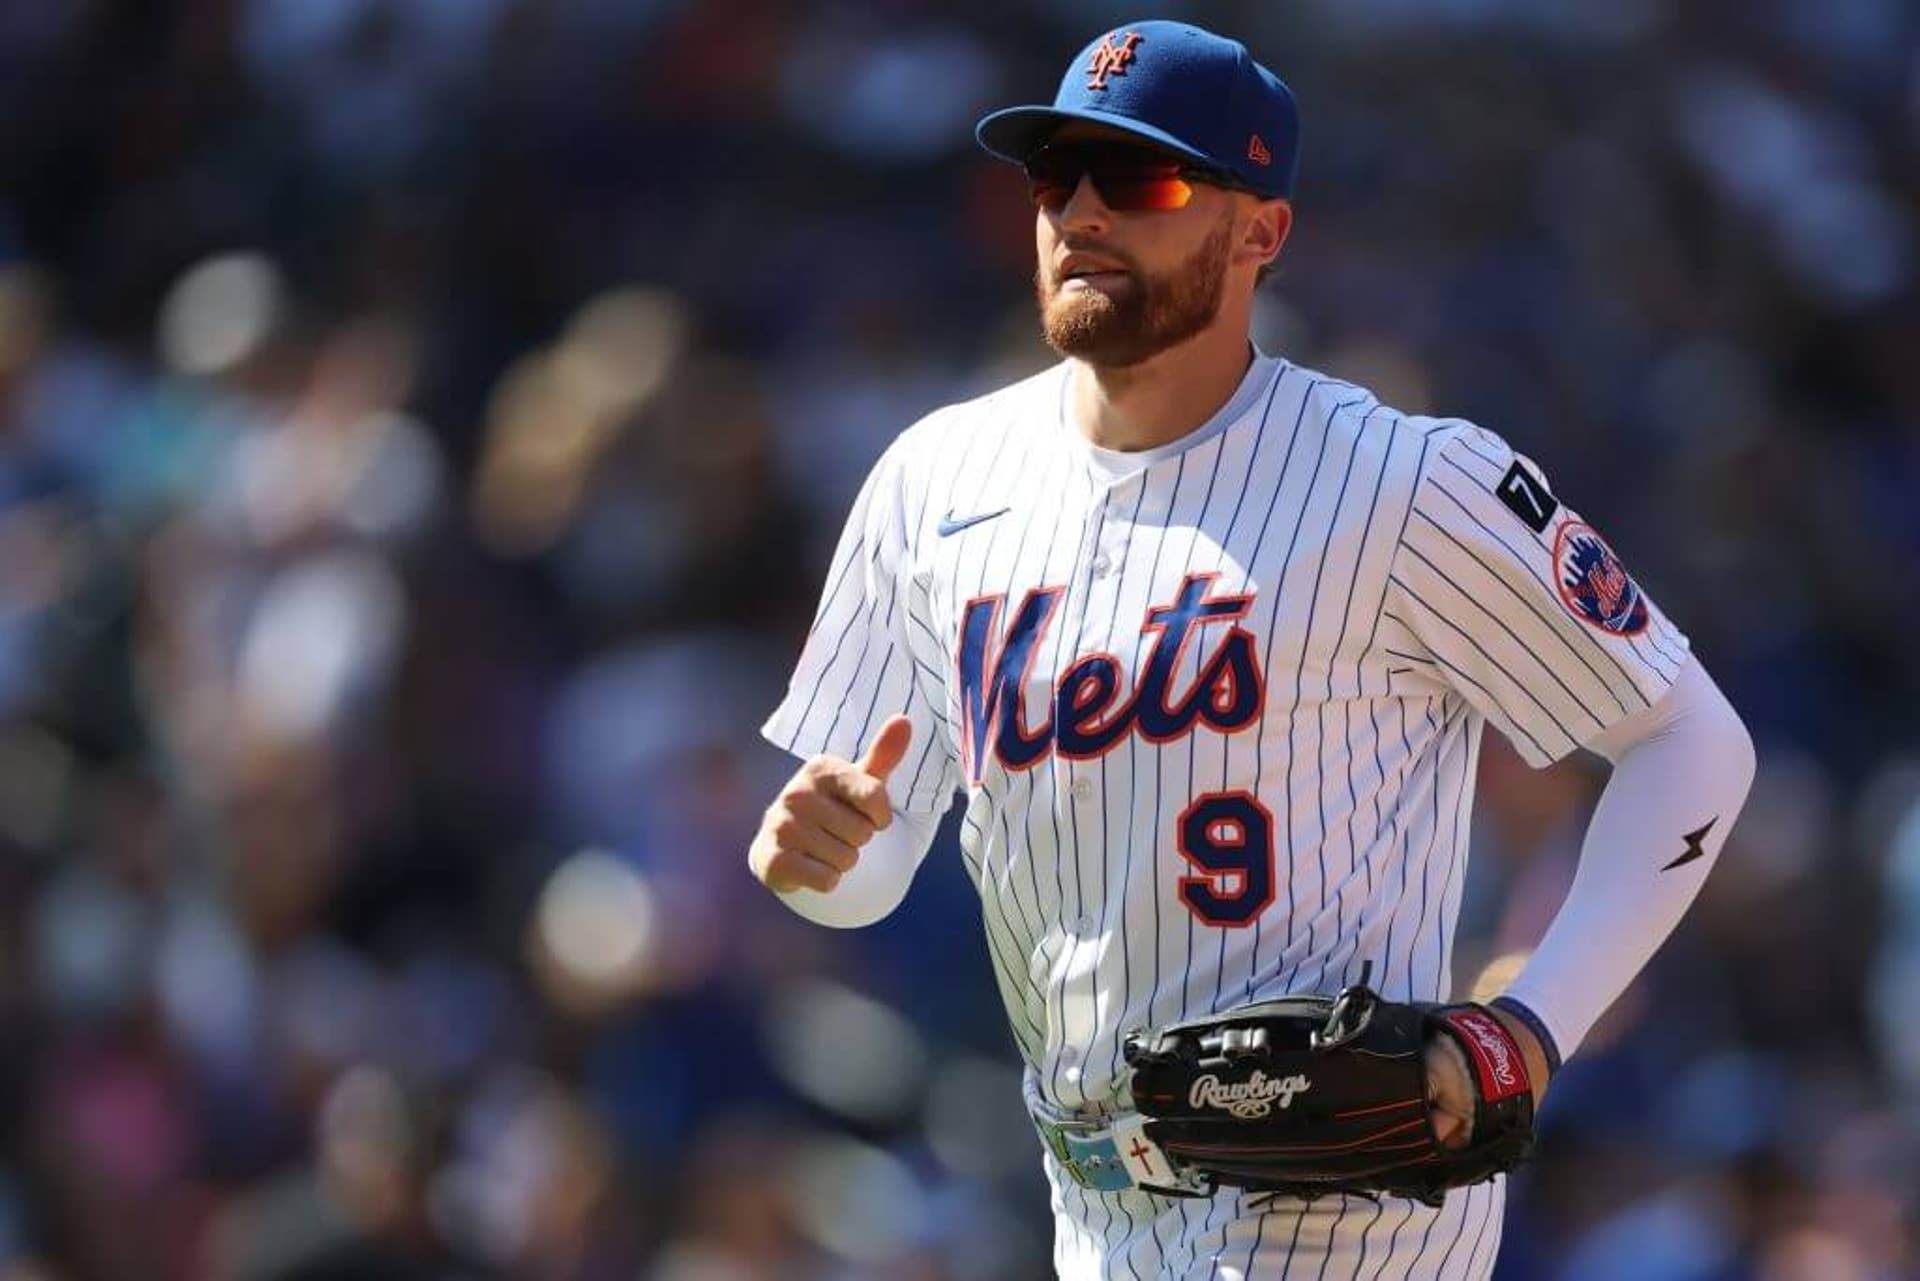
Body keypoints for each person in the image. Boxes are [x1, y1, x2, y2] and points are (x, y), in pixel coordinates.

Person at [749, 19, 1756, 1279]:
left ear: (1260, 231)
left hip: (1343, 1204)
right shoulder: (933, 483)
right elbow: (868, 865)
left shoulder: (1404, 482)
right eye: (1057, 176)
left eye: (1143, 178)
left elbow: (1692, 739)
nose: (1083, 212)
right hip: (1092, 1213)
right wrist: (820, 861)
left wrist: (1530, 1028)